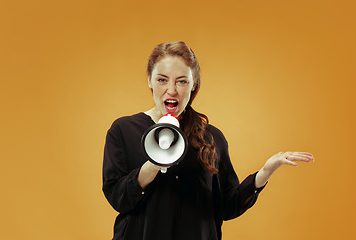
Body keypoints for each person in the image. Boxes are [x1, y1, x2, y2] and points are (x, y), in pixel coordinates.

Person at [102, 41, 314, 240]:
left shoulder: (212, 138)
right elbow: (117, 198)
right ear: (149, 79)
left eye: (182, 81)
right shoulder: (123, 130)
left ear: (193, 84)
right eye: (162, 79)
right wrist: (153, 165)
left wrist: (264, 173)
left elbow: (227, 207)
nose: (172, 90)